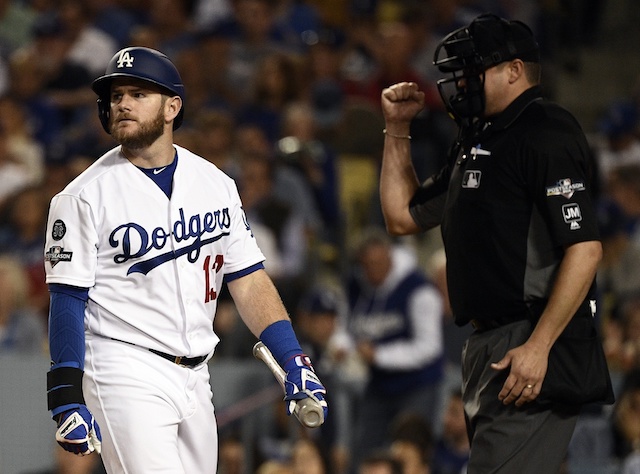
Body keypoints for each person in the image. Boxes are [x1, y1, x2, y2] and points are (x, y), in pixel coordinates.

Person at [43, 46, 327, 473]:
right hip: (124, 367)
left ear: (172, 106)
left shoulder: (215, 182)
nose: (122, 103)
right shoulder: (81, 196)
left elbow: (248, 279)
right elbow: (67, 297)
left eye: (138, 93)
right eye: (117, 95)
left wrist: (292, 357)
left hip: (196, 373)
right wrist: (65, 395)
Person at [378, 13, 611, 474]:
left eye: (472, 71)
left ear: (514, 70)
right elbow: (402, 216)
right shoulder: (478, 139)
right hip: (489, 343)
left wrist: (539, 346)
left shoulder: (546, 129)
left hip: (530, 340)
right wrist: (398, 129)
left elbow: (585, 248)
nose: (462, 84)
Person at [344, 228, 444, 466]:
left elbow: (430, 347)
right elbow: (346, 326)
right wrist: (343, 346)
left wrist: (379, 356)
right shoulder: (357, 286)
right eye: (366, 265)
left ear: (390, 256)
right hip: (378, 385)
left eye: (377, 263)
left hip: (417, 385)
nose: (372, 271)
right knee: (363, 453)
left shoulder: (419, 290)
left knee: (410, 454)